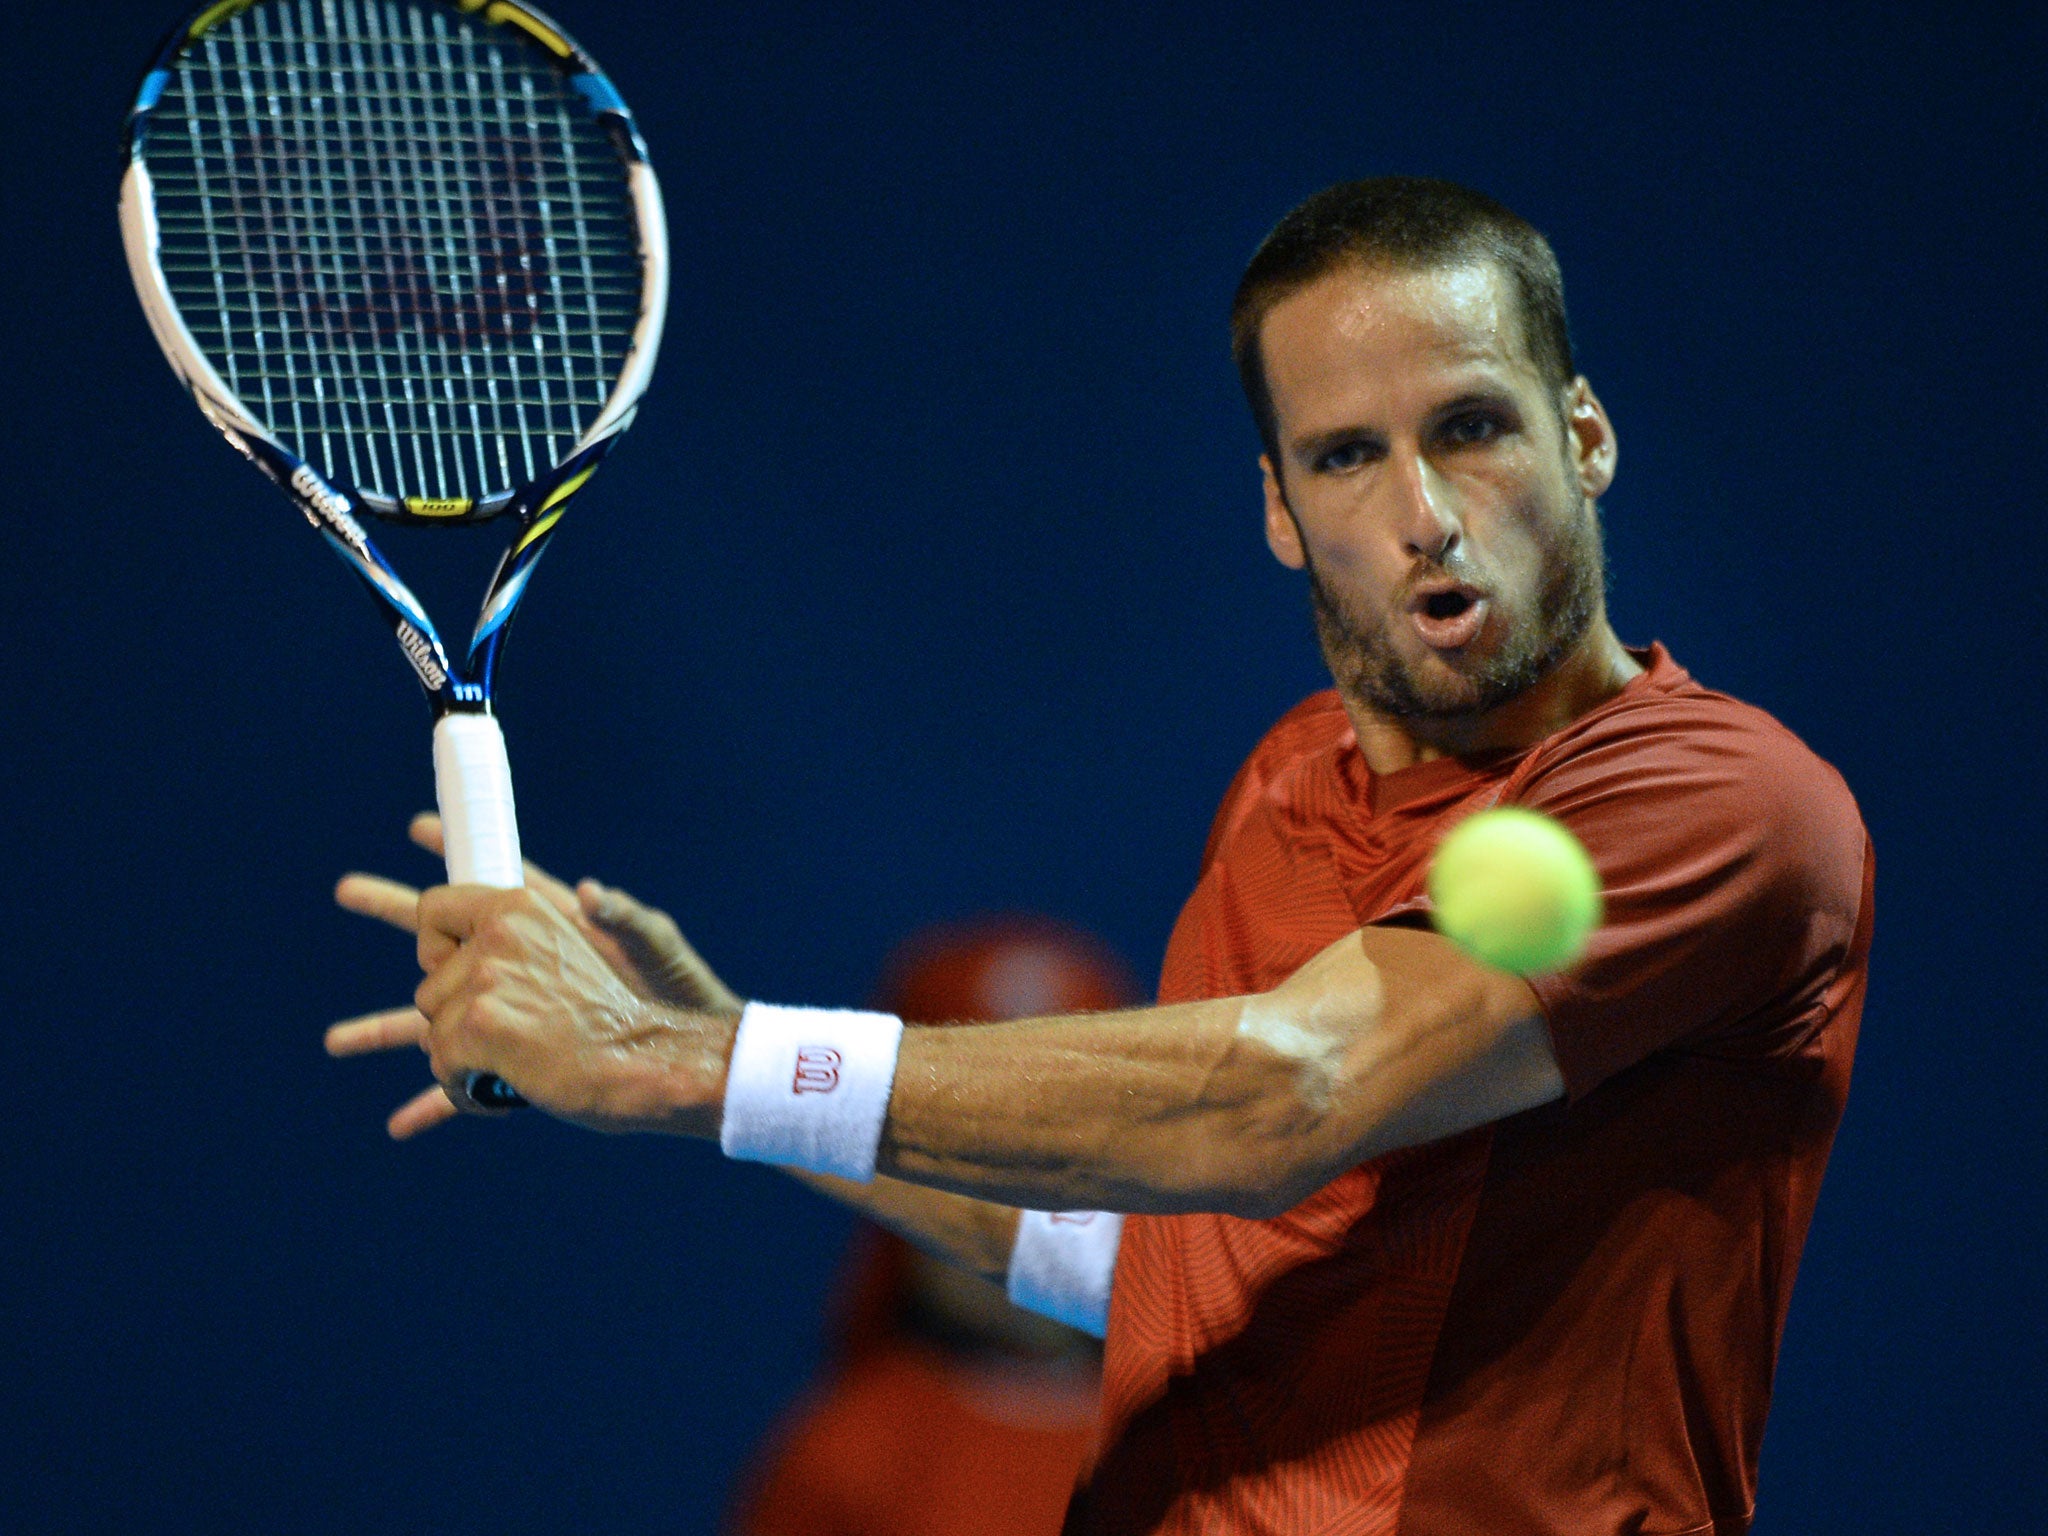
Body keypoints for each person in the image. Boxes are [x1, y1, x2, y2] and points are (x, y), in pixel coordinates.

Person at [330, 178, 1872, 1535]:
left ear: (1583, 434)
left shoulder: (1723, 805)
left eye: (1471, 428)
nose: (1424, 515)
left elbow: (1288, 1093)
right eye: (1345, 458)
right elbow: (1161, 1270)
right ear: (1279, 511)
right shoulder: (1280, 789)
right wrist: (734, 1079)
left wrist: (687, 1058)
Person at [728, 918, 1135, 1536]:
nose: (1014, 1201)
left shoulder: (1218, 1435)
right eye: (969, 1154)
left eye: (1061, 1150)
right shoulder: (851, 1454)